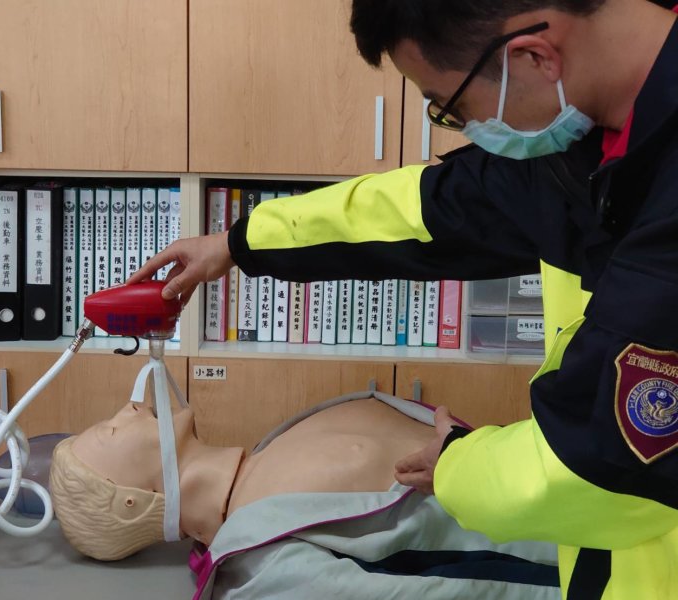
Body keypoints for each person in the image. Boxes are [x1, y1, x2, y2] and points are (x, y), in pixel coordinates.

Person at [126, 1, 678, 597]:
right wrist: (240, 243)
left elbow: (599, 464)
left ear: (533, 56)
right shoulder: (593, 134)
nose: (468, 130)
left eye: (452, 107)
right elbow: (430, 209)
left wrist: (457, 465)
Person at [49, 392, 560, 599]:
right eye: (110, 432)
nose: (128, 408)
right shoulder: (263, 566)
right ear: (132, 501)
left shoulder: (281, 440)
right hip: (584, 559)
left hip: (585, 476)